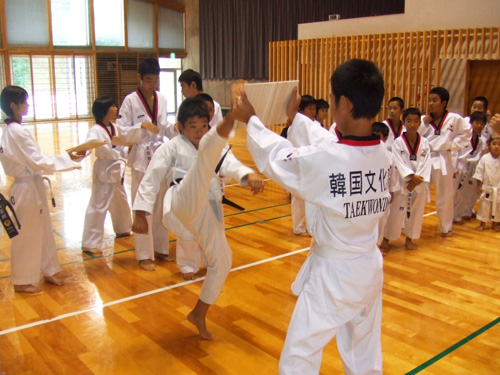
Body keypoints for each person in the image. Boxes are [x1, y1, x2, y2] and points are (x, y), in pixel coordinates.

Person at [233, 58, 389, 375]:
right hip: (368, 268)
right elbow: (330, 144)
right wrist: (297, 119)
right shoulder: (382, 153)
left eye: (331, 101)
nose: (330, 108)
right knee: (364, 354)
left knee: (299, 356)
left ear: (343, 103)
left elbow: (279, 158)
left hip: (333, 275)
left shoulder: (330, 159)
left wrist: (252, 121)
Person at [132, 97, 264, 339]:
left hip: (208, 208)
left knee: (223, 260)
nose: (199, 132)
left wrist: (247, 176)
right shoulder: (171, 147)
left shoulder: (214, 147)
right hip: (182, 201)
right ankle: (232, 116)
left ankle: (198, 313)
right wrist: (140, 212)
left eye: (204, 126)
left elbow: (231, 164)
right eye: (193, 127)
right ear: (181, 127)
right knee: (206, 159)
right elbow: (151, 178)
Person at [0, 86, 81, 293]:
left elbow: (36, 161)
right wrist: (68, 159)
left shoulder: (12, 130)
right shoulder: (15, 131)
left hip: (32, 184)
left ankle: (50, 269)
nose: (27, 105)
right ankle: (22, 280)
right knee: (26, 233)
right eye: (24, 102)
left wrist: (67, 158)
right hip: (25, 188)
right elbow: (37, 161)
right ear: (13, 106)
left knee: (44, 229)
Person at [116, 57, 177, 271]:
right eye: (149, 80)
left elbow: (164, 126)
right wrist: (139, 126)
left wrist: (175, 129)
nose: (153, 85)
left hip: (160, 155)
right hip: (142, 157)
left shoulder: (162, 98)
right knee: (142, 204)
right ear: (139, 78)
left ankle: (161, 248)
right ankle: (143, 254)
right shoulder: (130, 101)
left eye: (156, 80)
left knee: (161, 203)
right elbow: (121, 131)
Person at [80, 96, 132, 255]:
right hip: (104, 169)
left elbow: (122, 144)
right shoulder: (95, 130)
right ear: (104, 110)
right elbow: (90, 145)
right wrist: (82, 153)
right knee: (99, 204)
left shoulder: (114, 127)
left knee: (120, 200)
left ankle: (123, 228)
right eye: (113, 106)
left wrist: (128, 149)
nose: (116, 109)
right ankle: (90, 242)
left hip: (116, 169)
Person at [418, 86, 471, 237]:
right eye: (429, 100)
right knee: (419, 192)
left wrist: (452, 146)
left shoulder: (454, 119)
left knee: (445, 195)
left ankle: (446, 227)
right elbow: (412, 135)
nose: (431, 103)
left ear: (444, 103)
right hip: (424, 159)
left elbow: (467, 132)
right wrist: (425, 123)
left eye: (434, 100)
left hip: (443, 158)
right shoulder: (423, 120)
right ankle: (409, 226)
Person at [380, 108, 431, 251]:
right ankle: (387, 239)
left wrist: (416, 179)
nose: (412, 125)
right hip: (403, 182)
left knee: (416, 212)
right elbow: (398, 161)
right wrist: (409, 177)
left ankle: (410, 238)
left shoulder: (425, 142)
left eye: (416, 121)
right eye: (409, 121)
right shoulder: (398, 142)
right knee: (396, 211)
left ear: (420, 123)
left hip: (419, 182)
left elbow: (426, 162)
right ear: (404, 123)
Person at [453, 111, 488, 224]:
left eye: (482, 124)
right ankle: (454, 216)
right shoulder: (464, 137)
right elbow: (455, 152)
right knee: (457, 192)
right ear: (471, 123)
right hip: (461, 166)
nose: (479, 126)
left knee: (468, 193)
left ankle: (463, 212)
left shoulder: (481, 141)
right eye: (477, 122)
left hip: (472, 167)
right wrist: (454, 168)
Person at [290, 94, 317, 237]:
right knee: (299, 199)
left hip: (312, 167)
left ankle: (311, 225)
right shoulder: (294, 127)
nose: (313, 112)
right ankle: (298, 226)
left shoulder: (315, 126)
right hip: (299, 167)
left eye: (314, 109)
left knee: (311, 199)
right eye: (309, 109)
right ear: (301, 110)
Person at [371, 122, 398, 253]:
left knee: (382, 220)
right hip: (369, 193)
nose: (375, 139)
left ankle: (378, 245)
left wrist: (392, 190)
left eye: (378, 136)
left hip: (383, 192)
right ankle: (369, 247)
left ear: (385, 138)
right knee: (370, 222)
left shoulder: (390, 156)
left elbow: (393, 175)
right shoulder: (365, 154)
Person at [473, 135, 500, 231]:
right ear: (489, 145)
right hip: (487, 187)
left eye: (499, 145)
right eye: (494, 144)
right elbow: (479, 172)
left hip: (498, 188)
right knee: (484, 206)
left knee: (497, 207)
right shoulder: (485, 158)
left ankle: (495, 224)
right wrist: (479, 185)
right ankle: (482, 224)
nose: (497, 146)